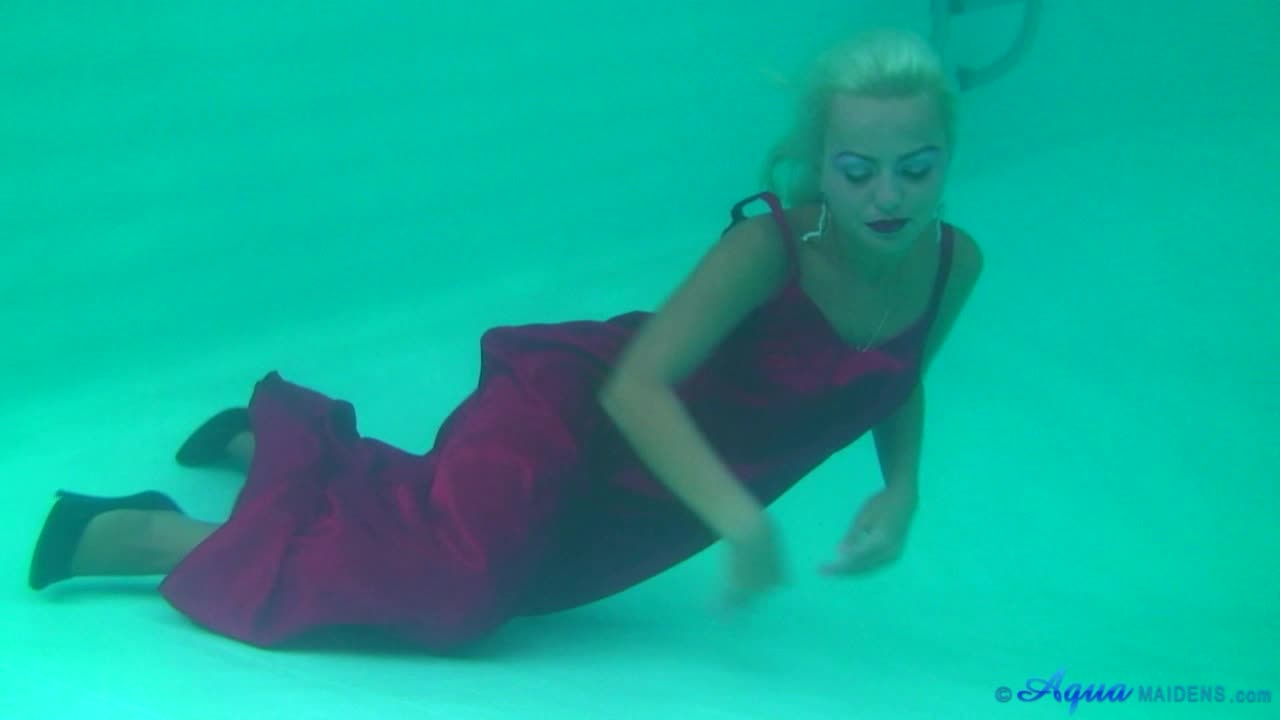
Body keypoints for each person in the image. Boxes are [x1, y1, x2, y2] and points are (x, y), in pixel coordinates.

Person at [27, 27, 983, 652]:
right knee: (453, 586)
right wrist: (741, 519)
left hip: (649, 501)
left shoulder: (954, 263)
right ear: (820, 163)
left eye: (916, 167)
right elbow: (636, 387)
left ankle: (269, 446)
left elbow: (895, 377)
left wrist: (900, 488)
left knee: (448, 552)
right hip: (570, 415)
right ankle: (150, 534)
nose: (887, 196)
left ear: (947, 156)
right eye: (857, 169)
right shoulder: (768, 247)